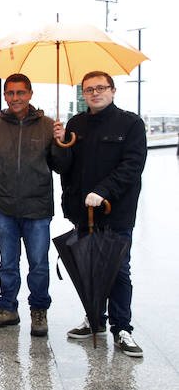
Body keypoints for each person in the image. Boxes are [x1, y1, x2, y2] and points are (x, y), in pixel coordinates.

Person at [57, 71, 147, 357]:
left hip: (115, 211)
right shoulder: (76, 123)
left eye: (100, 88)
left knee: (118, 270)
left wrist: (104, 191)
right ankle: (94, 319)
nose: (95, 93)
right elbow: (65, 169)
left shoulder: (130, 123)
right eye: (89, 90)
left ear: (113, 90)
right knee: (89, 268)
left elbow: (132, 166)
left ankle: (122, 328)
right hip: (84, 213)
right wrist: (60, 144)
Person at [0, 74, 64, 337]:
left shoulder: (47, 125)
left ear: (30, 94)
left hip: (38, 209)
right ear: (4, 96)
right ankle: (8, 308)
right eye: (10, 93)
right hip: (5, 209)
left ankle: (39, 311)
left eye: (20, 93)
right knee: (8, 263)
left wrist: (61, 141)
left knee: (39, 264)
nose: (15, 98)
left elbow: (61, 165)